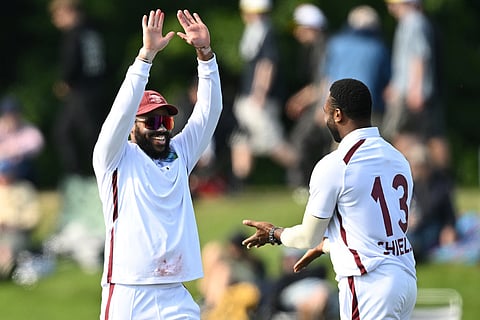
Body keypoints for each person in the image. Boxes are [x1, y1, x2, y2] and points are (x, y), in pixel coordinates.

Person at [242, 78, 417, 320]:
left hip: (369, 284)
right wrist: (327, 244)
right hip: (405, 280)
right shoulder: (398, 158)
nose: (324, 119)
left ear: (337, 114)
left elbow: (307, 235)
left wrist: (274, 233)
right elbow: (375, 229)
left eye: (325, 111)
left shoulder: (336, 164)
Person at [92, 8, 222, 319]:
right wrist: (146, 57)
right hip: (128, 291)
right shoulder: (115, 158)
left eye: (165, 119)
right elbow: (120, 114)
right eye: (151, 121)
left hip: (176, 293)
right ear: (133, 128)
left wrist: (205, 55)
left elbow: (208, 112)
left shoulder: (180, 154)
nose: (161, 127)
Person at [229, 0, 297, 191]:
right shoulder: (254, 32)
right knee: (240, 139)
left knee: (272, 142)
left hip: (257, 99)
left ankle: (302, 171)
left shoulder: (265, 32)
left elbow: (267, 65)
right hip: (247, 97)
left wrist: (259, 93)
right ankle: (239, 184)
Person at [382, 0, 450, 171]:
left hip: (412, 92)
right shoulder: (412, 22)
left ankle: (433, 178)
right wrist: (395, 84)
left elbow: (419, 56)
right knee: (417, 135)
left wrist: (416, 88)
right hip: (408, 90)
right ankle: (417, 178)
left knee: (423, 136)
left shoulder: (414, 22)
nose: (391, 9)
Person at [49, 0, 107, 178]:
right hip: (98, 89)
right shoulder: (93, 32)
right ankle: (94, 172)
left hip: (81, 92)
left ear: (68, 12)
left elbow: (71, 63)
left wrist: (65, 82)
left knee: (67, 133)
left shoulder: (74, 35)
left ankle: (79, 175)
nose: (55, 21)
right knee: (91, 134)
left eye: (57, 15)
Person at [285, 4, 333, 194]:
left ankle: (302, 184)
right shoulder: (318, 47)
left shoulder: (323, 48)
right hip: (323, 103)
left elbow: (325, 82)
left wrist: (312, 104)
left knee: (302, 139)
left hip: (325, 104)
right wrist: (300, 98)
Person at [322, 5, 391, 128]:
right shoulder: (378, 48)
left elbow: (328, 79)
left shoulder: (336, 44)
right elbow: (387, 83)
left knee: (343, 145)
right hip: (369, 108)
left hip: (339, 107)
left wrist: (324, 106)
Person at [0, 95, 44, 280]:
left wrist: (13, 151)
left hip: (16, 230)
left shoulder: (24, 189)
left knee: (11, 246)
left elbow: (36, 144)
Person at [397, 134, 457, 262]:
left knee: (416, 242)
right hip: (411, 227)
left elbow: (449, 213)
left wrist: (449, 227)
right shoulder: (409, 184)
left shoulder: (440, 186)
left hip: (432, 225)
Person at [259, 247, 339, 320]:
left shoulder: (314, 273)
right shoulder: (281, 282)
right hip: (292, 307)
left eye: (293, 258)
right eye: (287, 259)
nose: (289, 262)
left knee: (321, 291)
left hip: (319, 297)